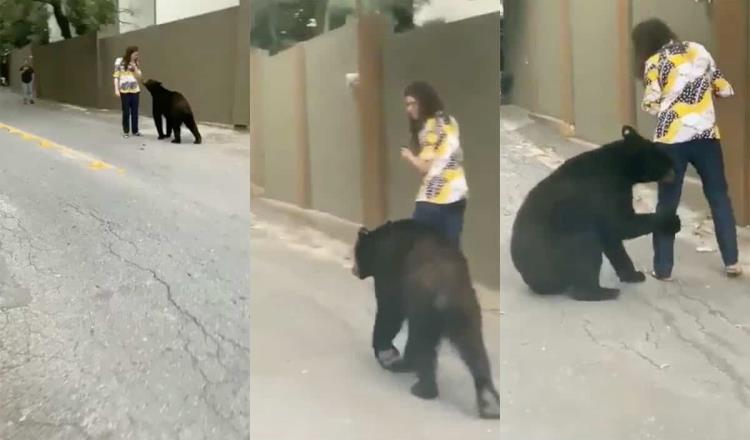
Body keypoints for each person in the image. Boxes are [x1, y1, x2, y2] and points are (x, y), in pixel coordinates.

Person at [632, 18, 742, 280]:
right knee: (718, 197)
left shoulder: (654, 62)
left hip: (671, 142)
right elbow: (725, 90)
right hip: (706, 137)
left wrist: (671, 107)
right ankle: (731, 261)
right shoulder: (699, 50)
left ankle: (663, 268)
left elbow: (650, 105)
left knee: (667, 204)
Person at [400, 81, 469, 247]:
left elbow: (425, 167)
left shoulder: (429, 129)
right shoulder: (450, 121)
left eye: (412, 103)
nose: (408, 109)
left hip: (434, 197)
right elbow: (457, 155)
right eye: (406, 105)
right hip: (458, 193)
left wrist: (408, 155)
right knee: (450, 250)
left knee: (417, 246)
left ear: (423, 101)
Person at [113, 46, 142, 138]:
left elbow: (139, 77)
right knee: (126, 112)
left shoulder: (136, 62)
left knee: (135, 111)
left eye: (137, 54)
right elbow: (116, 76)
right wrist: (116, 89)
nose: (136, 56)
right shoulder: (119, 61)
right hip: (124, 90)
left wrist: (135, 68)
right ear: (130, 53)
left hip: (135, 90)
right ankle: (126, 131)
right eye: (135, 54)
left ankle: (135, 130)